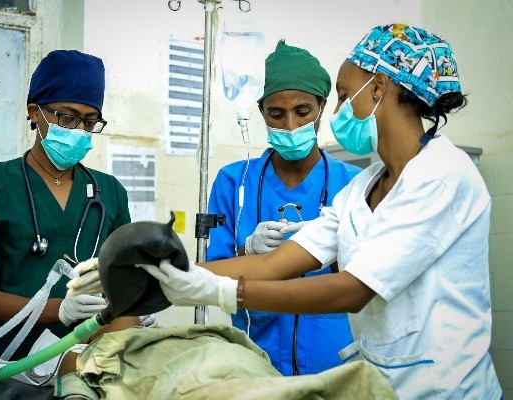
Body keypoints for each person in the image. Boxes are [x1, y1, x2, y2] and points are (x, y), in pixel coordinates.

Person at [118, 24, 501, 398]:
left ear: (379, 88)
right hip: (380, 387)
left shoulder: (441, 177)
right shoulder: (361, 188)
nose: (336, 110)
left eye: (343, 94)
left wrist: (218, 290)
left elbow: (351, 291)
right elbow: (274, 266)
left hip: (444, 389)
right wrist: (156, 274)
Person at [0, 50, 140, 362]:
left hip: (95, 353)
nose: (79, 129)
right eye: (68, 117)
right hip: (12, 359)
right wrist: (58, 310)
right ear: (35, 112)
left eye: (90, 121)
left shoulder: (110, 192)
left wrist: (135, 310)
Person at [207, 40, 361, 375]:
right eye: (276, 114)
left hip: (334, 360)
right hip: (254, 358)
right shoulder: (233, 182)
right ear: (261, 111)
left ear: (322, 106)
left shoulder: (355, 183)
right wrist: (248, 251)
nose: (290, 126)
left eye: (302, 112)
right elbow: (211, 275)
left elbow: (366, 276)